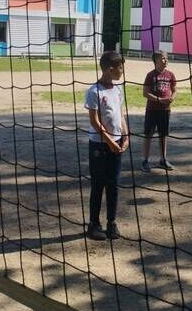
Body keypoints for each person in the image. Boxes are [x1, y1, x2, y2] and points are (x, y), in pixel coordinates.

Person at [84, 51, 129, 241]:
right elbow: (94, 121)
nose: (122, 71)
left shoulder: (117, 90)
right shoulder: (94, 91)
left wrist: (125, 135)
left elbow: (120, 114)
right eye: (120, 68)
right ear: (110, 69)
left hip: (116, 144)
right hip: (99, 145)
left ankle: (112, 222)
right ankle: (94, 224)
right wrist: (109, 141)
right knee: (98, 184)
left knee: (114, 184)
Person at [141, 51, 177, 172]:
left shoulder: (170, 75)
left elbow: (174, 90)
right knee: (148, 135)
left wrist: (172, 98)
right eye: (163, 58)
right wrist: (159, 100)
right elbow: (145, 93)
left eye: (166, 58)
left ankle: (163, 159)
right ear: (156, 61)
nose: (166, 60)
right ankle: (145, 160)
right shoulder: (150, 75)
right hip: (152, 110)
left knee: (163, 135)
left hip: (165, 110)